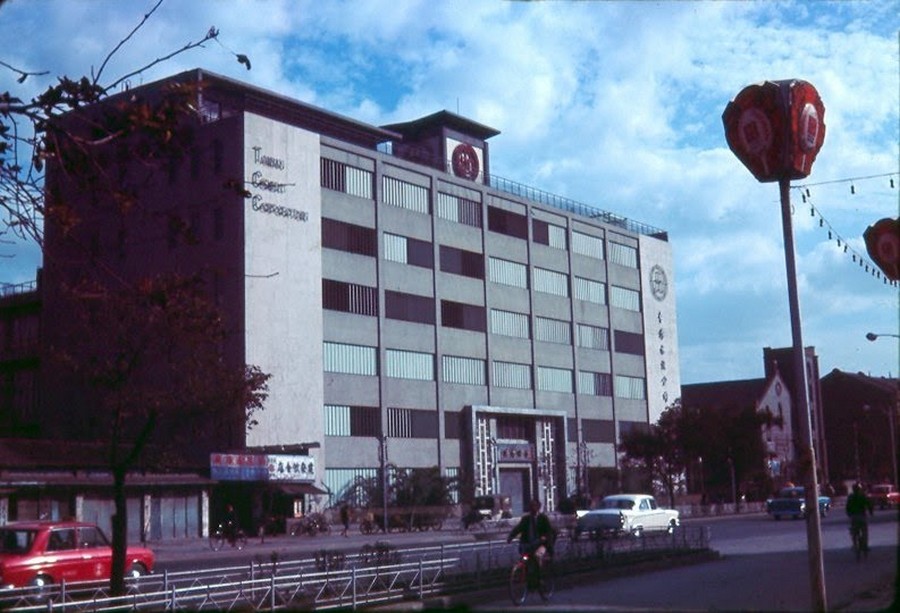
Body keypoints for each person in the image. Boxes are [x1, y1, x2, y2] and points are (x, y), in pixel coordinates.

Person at [845, 483, 873, 555]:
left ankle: (855, 544)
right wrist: (871, 512)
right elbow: (868, 504)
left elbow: (847, 507)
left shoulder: (850, 497)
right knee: (864, 531)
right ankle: (865, 545)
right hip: (862, 516)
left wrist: (849, 514)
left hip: (854, 517)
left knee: (853, 532)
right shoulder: (863, 496)